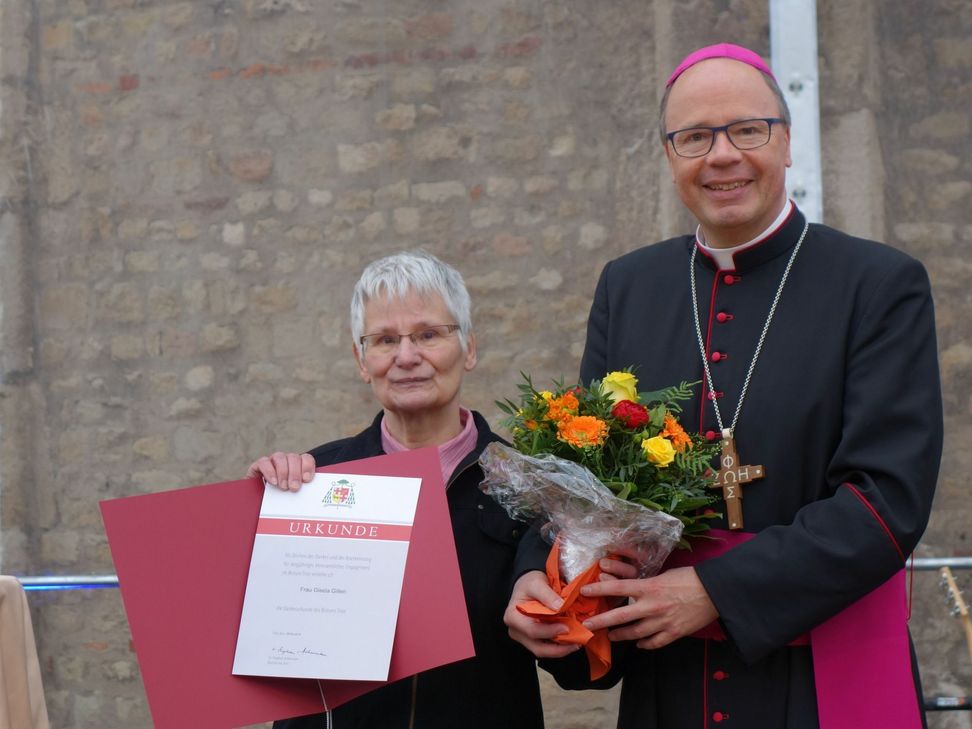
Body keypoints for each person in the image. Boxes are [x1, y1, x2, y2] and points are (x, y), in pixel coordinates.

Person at [505, 43, 943, 728]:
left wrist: (714, 588)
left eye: (747, 129)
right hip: (669, 679)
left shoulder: (878, 285)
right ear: (670, 156)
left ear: (787, 141)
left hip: (816, 678)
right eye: (694, 137)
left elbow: (885, 502)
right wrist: (541, 575)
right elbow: (579, 481)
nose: (723, 155)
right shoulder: (630, 287)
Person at [248, 251, 544, 729]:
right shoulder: (312, 481)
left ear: (468, 347)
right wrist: (255, 519)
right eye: (385, 340)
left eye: (428, 335)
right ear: (362, 360)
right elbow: (261, 645)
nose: (407, 357)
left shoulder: (528, 484)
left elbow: (578, 671)